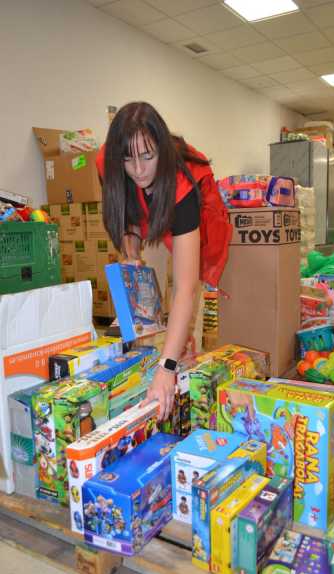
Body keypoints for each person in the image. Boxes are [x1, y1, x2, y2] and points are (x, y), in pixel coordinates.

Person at [96, 101, 232, 421]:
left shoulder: (185, 186)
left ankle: (180, 387)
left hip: (190, 212)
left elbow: (186, 287)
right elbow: (125, 210)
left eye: (147, 156)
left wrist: (168, 366)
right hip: (150, 210)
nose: (139, 169)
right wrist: (131, 257)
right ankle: (149, 376)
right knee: (142, 285)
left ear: (161, 151)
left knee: (183, 321)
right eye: (128, 159)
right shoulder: (108, 161)